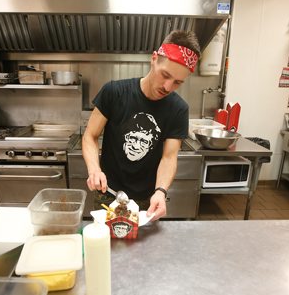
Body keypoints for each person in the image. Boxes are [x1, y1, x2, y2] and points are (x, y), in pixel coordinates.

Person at [82, 30, 201, 221]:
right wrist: (94, 170)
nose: (168, 87)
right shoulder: (114, 92)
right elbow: (90, 136)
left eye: (177, 82)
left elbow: (169, 157)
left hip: (148, 200)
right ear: (154, 59)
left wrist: (161, 191)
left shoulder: (178, 109)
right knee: (109, 248)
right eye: (165, 75)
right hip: (107, 193)